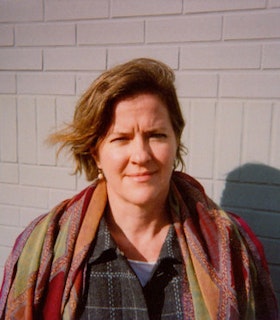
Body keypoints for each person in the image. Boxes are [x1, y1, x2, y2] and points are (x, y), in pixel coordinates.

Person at [0, 58, 278, 320]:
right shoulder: (43, 245)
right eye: (121, 138)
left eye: (156, 135)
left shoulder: (230, 244)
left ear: (175, 142)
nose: (141, 155)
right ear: (95, 153)